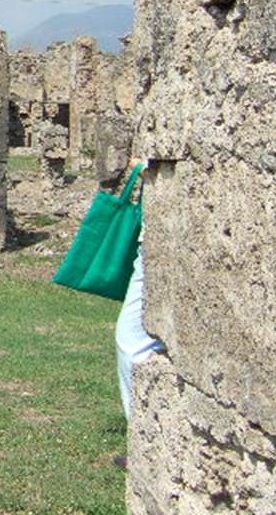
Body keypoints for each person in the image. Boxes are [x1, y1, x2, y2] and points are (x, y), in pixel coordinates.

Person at [113, 160, 166, 466]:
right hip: (155, 238)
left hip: (161, 241)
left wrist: (146, 168)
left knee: (131, 339)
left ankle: (148, 442)